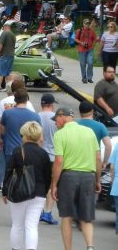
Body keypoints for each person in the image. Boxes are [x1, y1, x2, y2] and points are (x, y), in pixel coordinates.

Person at [50, 107, 101, 250]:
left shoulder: (60, 134)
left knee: (67, 216)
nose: (55, 123)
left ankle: (68, 249)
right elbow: (97, 157)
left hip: (69, 177)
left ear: (62, 117)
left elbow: (59, 161)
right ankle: (90, 246)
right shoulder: (89, 132)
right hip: (88, 176)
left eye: (56, 120)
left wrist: (54, 185)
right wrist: (97, 180)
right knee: (86, 217)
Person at [2, 121, 52, 250]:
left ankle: (16, 248)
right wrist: (44, 192)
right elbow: (48, 176)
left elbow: (8, 171)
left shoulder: (18, 151)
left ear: (24, 135)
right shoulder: (44, 154)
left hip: (19, 191)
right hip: (39, 193)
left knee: (17, 225)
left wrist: (5, 191)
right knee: (31, 225)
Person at [0, 90, 41, 170]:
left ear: (15, 100)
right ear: (27, 100)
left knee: (9, 175)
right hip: (28, 152)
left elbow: (3, 130)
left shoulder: (7, 113)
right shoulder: (35, 116)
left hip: (10, 150)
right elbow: (39, 137)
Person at [37, 93, 59, 225]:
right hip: (53, 155)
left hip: (39, 155)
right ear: (51, 105)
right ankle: (48, 213)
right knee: (52, 185)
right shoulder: (56, 118)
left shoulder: (36, 116)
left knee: (39, 184)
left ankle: (38, 211)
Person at [76, 100, 112, 168]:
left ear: (79, 112)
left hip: (77, 164)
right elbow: (108, 146)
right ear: (92, 111)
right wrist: (105, 162)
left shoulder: (74, 125)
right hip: (94, 164)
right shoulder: (100, 126)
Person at [0, 21, 16, 92]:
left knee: (1, 71)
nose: (3, 29)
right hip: (11, 55)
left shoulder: (5, 33)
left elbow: (0, 44)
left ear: (6, 27)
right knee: (8, 72)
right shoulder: (13, 34)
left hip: (5, 55)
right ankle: (7, 86)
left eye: (3, 28)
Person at [76, 18, 98, 83]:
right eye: (86, 23)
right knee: (83, 64)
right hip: (81, 50)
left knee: (90, 63)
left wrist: (93, 45)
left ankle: (89, 77)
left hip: (89, 49)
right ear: (83, 24)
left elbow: (95, 39)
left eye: (88, 23)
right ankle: (84, 78)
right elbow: (76, 39)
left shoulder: (91, 31)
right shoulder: (79, 31)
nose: (87, 25)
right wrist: (81, 43)